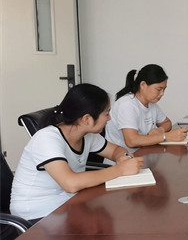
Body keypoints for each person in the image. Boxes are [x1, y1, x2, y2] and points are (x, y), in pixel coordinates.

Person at [10, 84, 144, 221]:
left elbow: (115, 150)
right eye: (106, 114)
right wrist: (120, 170)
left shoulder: (87, 136)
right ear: (87, 119)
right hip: (36, 213)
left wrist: (122, 157)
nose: (109, 119)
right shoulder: (46, 138)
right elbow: (70, 183)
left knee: (120, 214)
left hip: (66, 203)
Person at [105, 64, 187, 151]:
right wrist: (166, 136)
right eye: (159, 89)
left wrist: (161, 130)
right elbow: (131, 141)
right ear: (143, 85)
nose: (162, 94)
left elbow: (167, 122)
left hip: (144, 153)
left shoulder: (151, 103)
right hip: (124, 157)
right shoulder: (127, 104)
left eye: (164, 89)